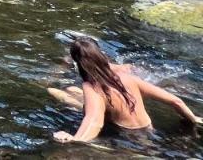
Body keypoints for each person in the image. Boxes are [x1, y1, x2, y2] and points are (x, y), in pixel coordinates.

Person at [49, 36, 199, 143]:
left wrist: (74, 139)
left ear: (78, 62)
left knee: (56, 93)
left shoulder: (90, 87)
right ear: (101, 55)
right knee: (72, 89)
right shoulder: (126, 77)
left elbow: (94, 121)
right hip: (149, 131)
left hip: (127, 138)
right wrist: (194, 120)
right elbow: (176, 101)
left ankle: (55, 91)